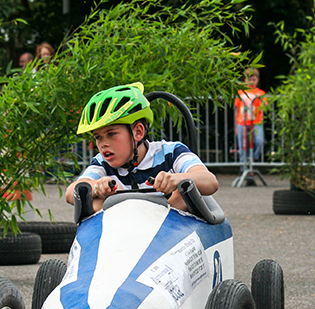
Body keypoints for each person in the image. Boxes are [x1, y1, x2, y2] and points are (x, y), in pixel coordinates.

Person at [65, 82, 218, 213]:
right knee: (98, 202)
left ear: (138, 132)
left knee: (182, 194)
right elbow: (71, 193)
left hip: (169, 237)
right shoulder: (102, 163)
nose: (103, 143)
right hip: (126, 238)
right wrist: (98, 187)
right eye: (98, 137)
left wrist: (176, 179)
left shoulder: (171, 153)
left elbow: (210, 181)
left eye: (111, 134)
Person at [234, 68, 266, 163]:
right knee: (243, 146)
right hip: (242, 122)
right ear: (245, 79)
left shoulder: (260, 93)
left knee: (259, 141)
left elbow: (266, 105)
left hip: (256, 122)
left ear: (258, 80)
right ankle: (243, 168)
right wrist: (236, 125)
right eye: (249, 79)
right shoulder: (240, 92)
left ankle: (254, 158)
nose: (251, 82)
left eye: (254, 79)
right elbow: (237, 108)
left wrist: (260, 99)